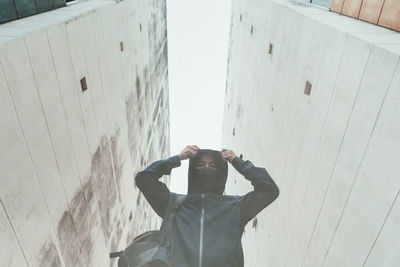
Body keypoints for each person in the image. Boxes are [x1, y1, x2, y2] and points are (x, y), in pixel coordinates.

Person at [135, 145, 280, 267]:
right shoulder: (174, 203)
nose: (207, 168)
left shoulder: (236, 206)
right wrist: (178, 158)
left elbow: (269, 190)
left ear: (221, 173)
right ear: (192, 171)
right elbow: (144, 179)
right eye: (201, 164)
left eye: (213, 165)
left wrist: (237, 161)